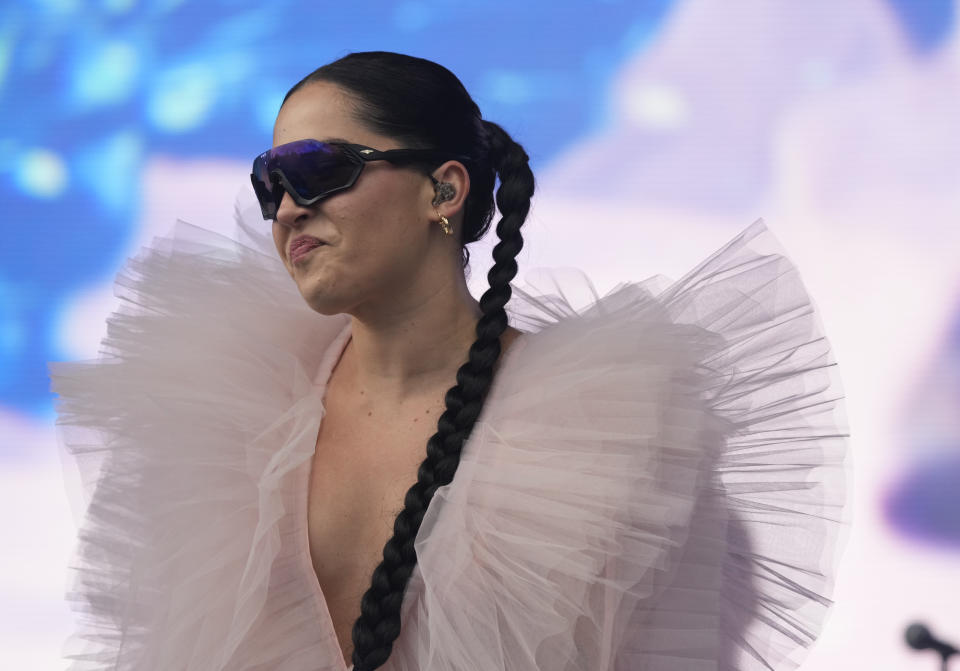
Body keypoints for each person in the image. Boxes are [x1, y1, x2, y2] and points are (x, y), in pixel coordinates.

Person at [49, 51, 850, 671]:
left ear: (444, 191)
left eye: (321, 169)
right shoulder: (231, 419)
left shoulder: (604, 438)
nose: (289, 206)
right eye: (270, 183)